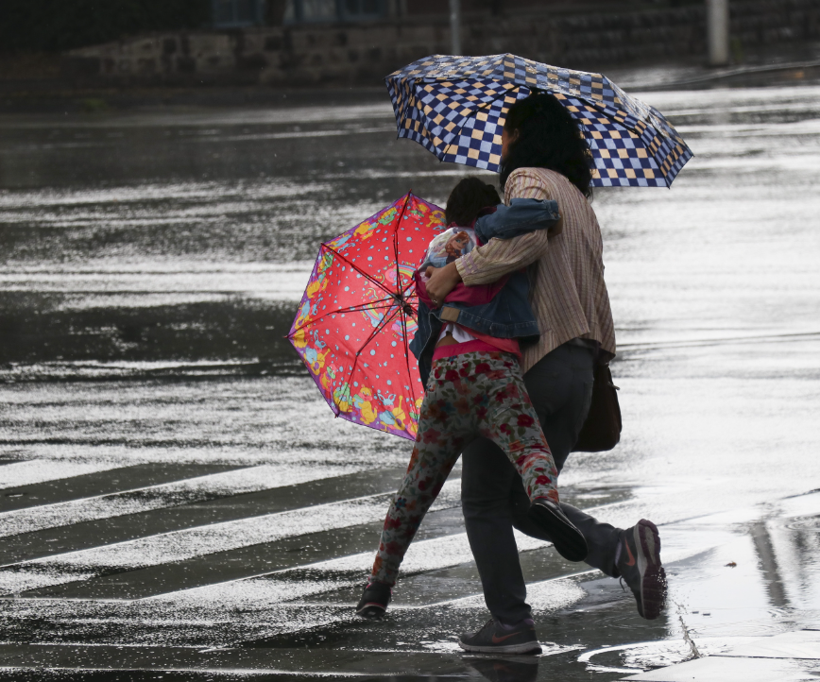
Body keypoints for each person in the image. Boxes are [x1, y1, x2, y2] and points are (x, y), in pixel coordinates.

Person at [424, 94, 667, 655]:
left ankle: (511, 625)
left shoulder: (529, 181)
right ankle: (620, 552)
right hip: (578, 375)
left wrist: (454, 272)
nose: (501, 145)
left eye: (507, 133)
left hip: (530, 368)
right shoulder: (582, 202)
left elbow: (526, 238)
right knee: (524, 502)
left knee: (484, 499)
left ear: (525, 138)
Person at [355, 178, 588, 625]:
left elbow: (428, 301)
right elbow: (543, 213)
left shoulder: (432, 254)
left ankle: (378, 586)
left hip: (446, 378)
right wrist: (502, 214)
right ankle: (544, 500)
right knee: (529, 449)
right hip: (493, 370)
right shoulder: (493, 234)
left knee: (416, 489)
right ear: (484, 210)